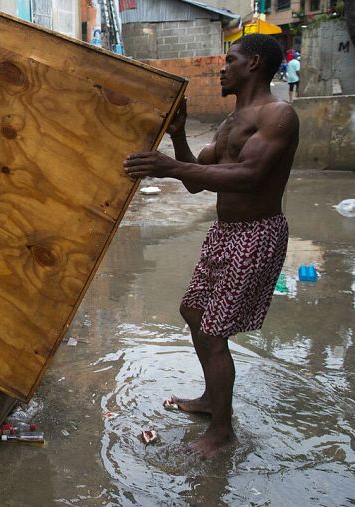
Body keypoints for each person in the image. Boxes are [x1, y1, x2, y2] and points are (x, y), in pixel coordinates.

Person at [123, 34, 299, 458]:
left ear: (253, 63)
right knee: (194, 311)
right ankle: (209, 401)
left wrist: (168, 165)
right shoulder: (229, 123)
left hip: (256, 233)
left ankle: (222, 432)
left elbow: (250, 176)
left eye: (231, 60)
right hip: (225, 233)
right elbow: (194, 179)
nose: (222, 68)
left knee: (213, 330)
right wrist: (178, 138)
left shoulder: (278, 115)